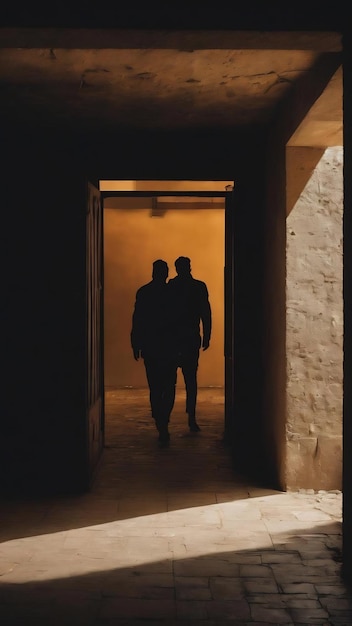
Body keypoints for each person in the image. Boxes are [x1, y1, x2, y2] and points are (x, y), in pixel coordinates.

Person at [130, 259, 176, 444]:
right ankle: (163, 418)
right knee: (168, 386)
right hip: (169, 347)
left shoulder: (144, 292)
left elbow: (138, 320)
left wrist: (136, 344)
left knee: (155, 386)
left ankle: (160, 419)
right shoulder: (173, 294)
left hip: (152, 346)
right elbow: (178, 322)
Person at [168, 256, 212, 432]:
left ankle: (166, 418)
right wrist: (207, 335)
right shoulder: (198, 287)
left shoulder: (171, 287)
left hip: (173, 339)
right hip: (190, 337)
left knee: (170, 380)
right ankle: (191, 417)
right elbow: (205, 313)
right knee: (190, 379)